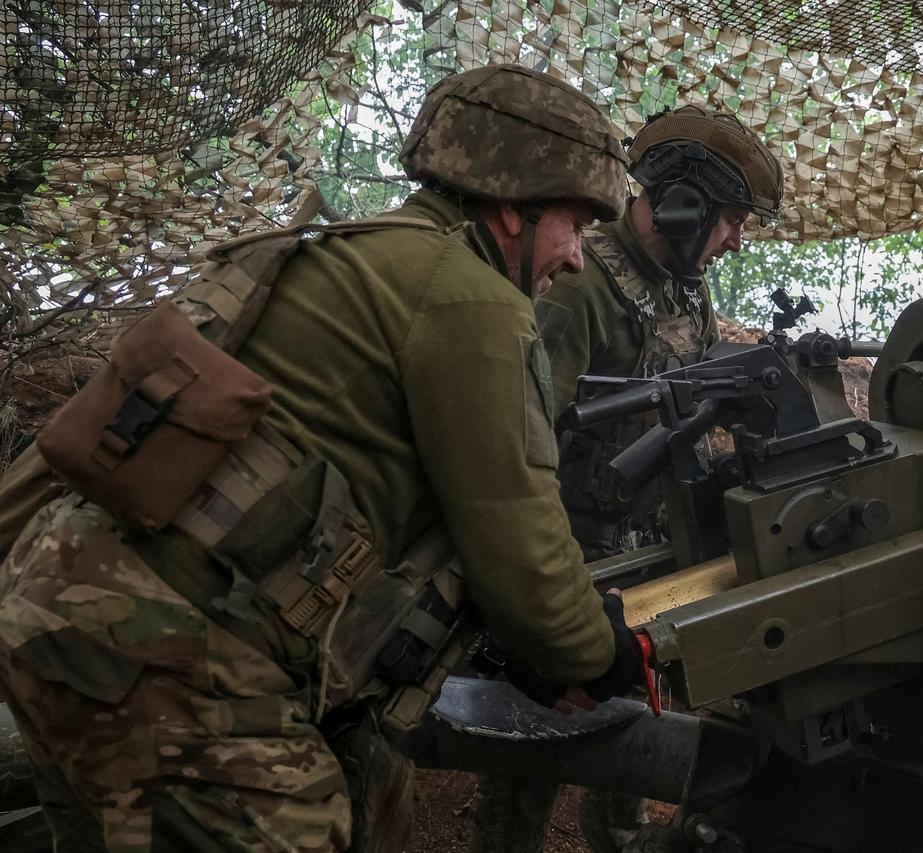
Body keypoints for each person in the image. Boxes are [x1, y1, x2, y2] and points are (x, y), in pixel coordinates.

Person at [0, 64, 644, 853]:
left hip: (57, 601)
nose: (577, 257)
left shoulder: (347, 254)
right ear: (514, 204)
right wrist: (597, 650)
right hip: (163, 649)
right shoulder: (472, 299)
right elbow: (522, 553)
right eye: (576, 224)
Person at [468, 105, 783, 853]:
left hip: (651, 557)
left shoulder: (684, 288)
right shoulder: (580, 286)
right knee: (532, 752)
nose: (736, 239)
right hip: (571, 563)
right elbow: (522, 443)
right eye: (732, 219)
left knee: (634, 756)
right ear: (684, 207)